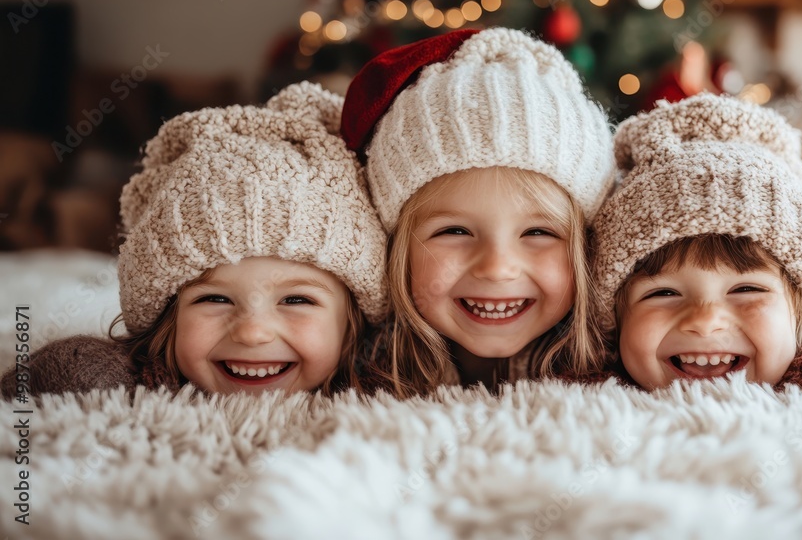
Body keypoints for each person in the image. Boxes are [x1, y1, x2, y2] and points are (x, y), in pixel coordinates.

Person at [1, 82, 388, 397]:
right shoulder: (134, 379)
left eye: (297, 299)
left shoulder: (388, 391)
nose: (252, 332)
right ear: (164, 318)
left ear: (352, 324)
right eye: (214, 298)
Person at [590, 93, 802, 394]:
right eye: (663, 293)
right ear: (614, 323)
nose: (705, 321)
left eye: (746, 288)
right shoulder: (590, 391)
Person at [340, 28, 616, 397]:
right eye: (454, 231)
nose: (497, 268)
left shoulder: (616, 377)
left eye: (538, 232)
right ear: (396, 248)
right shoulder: (355, 373)